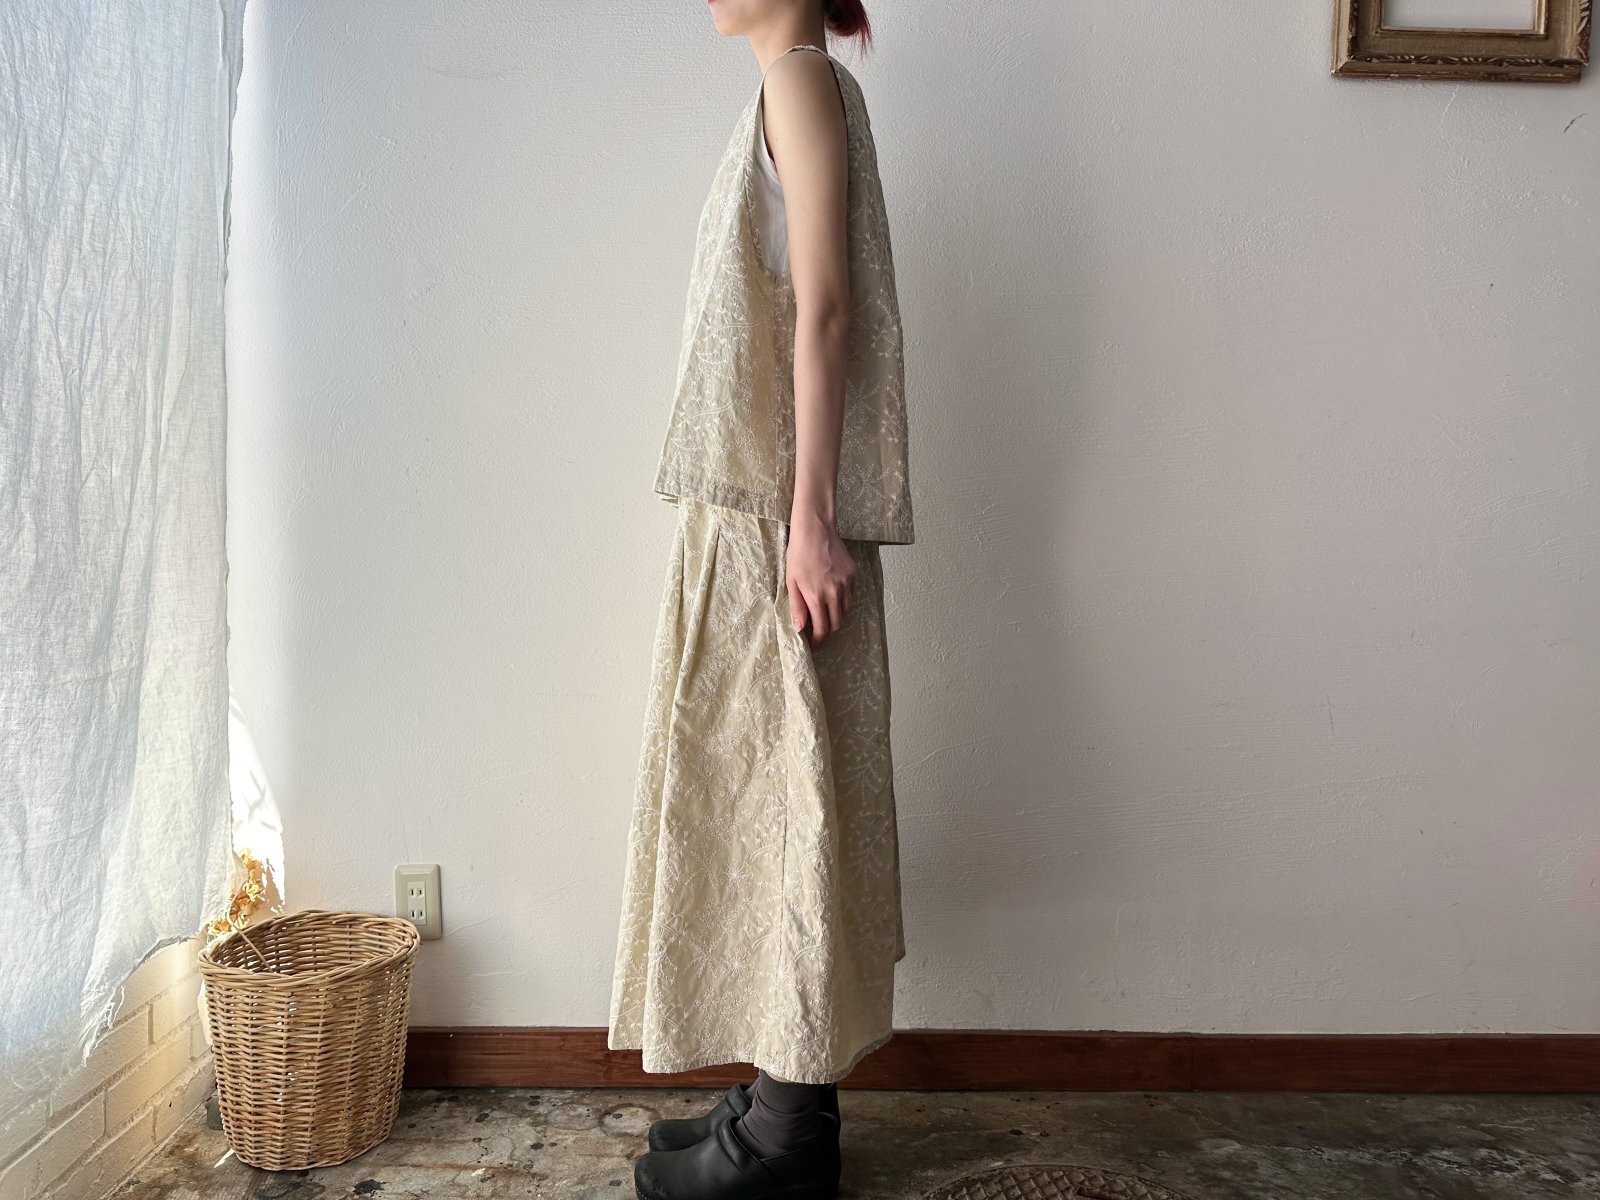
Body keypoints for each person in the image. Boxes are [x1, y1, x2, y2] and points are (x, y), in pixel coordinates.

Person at [607, 2, 914, 1196]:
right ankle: (785, 1100)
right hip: (763, 512)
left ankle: (784, 1141)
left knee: (785, 810)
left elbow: (826, 307)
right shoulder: (792, 86)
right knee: (766, 807)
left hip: (779, 520)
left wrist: (810, 520)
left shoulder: (798, 82)